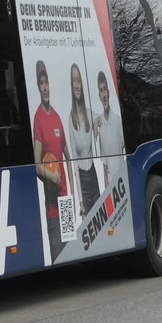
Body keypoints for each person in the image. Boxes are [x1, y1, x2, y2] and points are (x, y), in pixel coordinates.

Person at [31, 61, 69, 262]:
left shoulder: (56, 117)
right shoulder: (38, 118)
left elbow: (69, 158)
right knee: (58, 256)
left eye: (46, 82)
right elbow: (37, 165)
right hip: (53, 207)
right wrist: (51, 175)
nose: (45, 87)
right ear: (38, 87)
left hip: (66, 202)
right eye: (41, 83)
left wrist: (75, 196)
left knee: (72, 253)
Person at [66, 63, 100, 216]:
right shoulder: (70, 121)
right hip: (83, 183)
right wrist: (80, 201)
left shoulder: (89, 113)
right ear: (71, 85)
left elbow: (99, 119)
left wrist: (96, 125)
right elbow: (74, 165)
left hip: (93, 176)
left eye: (79, 80)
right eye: (74, 81)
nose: (77, 85)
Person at [92, 71, 126, 192]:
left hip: (122, 182)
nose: (104, 94)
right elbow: (104, 166)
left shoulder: (117, 120)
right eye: (101, 90)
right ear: (99, 96)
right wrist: (107, 191)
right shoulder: (99, 125)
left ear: (109, 92)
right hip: (111, 188)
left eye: (105, 89)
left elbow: (124, 151)